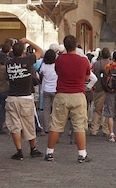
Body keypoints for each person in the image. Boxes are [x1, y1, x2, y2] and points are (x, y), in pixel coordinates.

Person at [45, 34, 92, 163]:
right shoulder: (83, 61)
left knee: (56, 124)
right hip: (78, 94)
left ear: (64, 46)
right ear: (75, 45)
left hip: (62, 94)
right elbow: (87, 77)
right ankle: (82, 154)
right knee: (79, 125)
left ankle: (50, 152)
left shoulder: (59, 60)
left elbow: (58, 72)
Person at [5, 38, 43, 160]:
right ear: (23, 52)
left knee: (14, 126)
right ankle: (33, 149)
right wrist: (28, 41)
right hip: (25, 97)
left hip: (11, 97)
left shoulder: (9, 63)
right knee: (29, 124)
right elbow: (40, 51)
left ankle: (19, 151)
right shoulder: (28, 60)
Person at [87, 48, 109, 136]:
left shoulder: (96, 64)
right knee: (107, 110)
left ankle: (94, 129)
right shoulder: (110, 64)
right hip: (108, 89)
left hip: (98, 88)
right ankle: (106, 129)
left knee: (97, 110)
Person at [39, 48, 58, 138]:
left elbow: (41, 75)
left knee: (46, 110)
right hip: (55, 89)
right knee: (55, 110)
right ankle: (54, 126)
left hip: (46, 89)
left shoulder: (44, 66)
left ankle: (46, 127)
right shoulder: (57, 65)